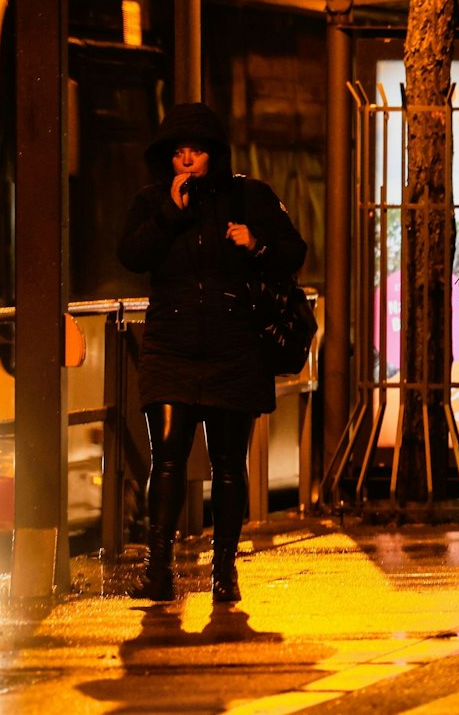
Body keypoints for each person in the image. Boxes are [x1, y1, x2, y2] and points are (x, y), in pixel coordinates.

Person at [118, 102, 306, 602]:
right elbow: (132, 255)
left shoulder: (249, 197)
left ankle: (225, 570)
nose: (186, 161)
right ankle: (158, 569)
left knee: (228, 463)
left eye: (195, 152)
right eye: (178, 153)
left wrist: (256, 242)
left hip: (233, 345)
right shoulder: (153, 201)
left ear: (212, 155)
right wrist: (168, 214)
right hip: (171, 347)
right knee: (168, 457)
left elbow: (295, 252)